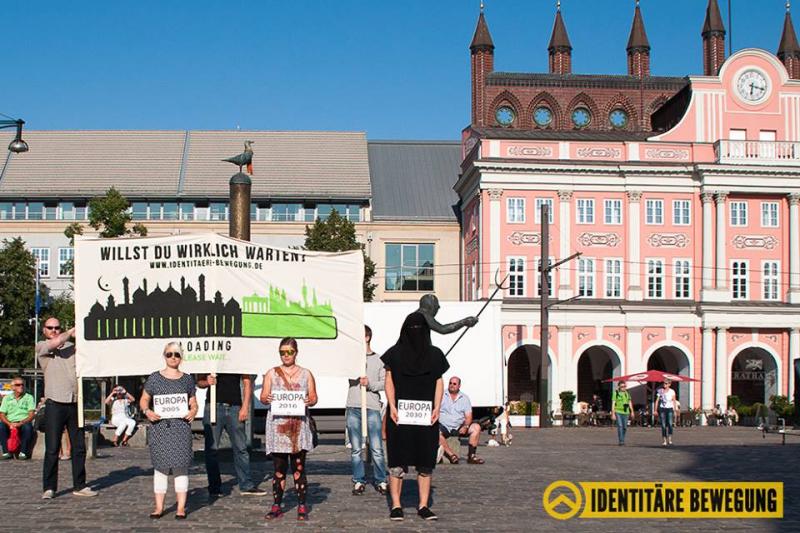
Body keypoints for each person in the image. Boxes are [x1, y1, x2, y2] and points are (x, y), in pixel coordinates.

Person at [382, 312, 451, 522]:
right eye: (411, 329)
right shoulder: (394, 354)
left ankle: (423, 505)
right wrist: (392, 406)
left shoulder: (435, 355)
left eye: (418, 329)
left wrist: (437, 407)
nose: (415, 333)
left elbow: (439, 382)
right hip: (399, 417)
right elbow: (389, 380)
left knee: (425, 463)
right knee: (396, 463)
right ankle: (396, 505)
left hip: (426, 417)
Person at [37, 317, 97, 499]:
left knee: (79, 447)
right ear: (44, 330)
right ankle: (49, 487)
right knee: (53, 448)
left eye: (57, 327)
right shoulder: (42, 347)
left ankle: (80, 484)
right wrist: (70, 332)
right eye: (50, 327)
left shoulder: (72, 347)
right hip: (55, 402)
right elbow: (55, 343)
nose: (54, 330)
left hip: (74, 402)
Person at [260, 337, 318, 521]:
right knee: (279, 468)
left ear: (296, 352)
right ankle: (277, 504)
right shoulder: (271, 373)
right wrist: (266, 398)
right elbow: (263, 397)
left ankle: (302, 505)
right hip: (278, 426)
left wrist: (310, 400)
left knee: (299, 467)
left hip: (298, 426)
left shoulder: (306, 374)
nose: (286, 355)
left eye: (289, 352)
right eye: (282, 352)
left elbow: (314, 397)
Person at [140, 342, 198, 519]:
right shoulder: (154, 378)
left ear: (181, 357)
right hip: (160, 428)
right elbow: (144, 399)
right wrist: (147, 411)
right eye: (170, 354)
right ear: (164, 355)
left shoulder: (187, 379)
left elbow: (193, 401)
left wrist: (193, 411)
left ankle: (181, 508)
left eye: (177, 354)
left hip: (180, 428)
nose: (173, 357)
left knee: (181, 468)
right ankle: (159, 507)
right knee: (161, 468)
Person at [196, 372, 265, 498]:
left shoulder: (236, 359)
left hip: (234, 407)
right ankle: (214, 487)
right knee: (211, 449)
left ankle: (246, 485)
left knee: (241, 448)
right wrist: (207, 382)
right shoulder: (210, 359)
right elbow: (199, 382)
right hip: (213, 406)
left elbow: (247, 382)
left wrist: (245, 407)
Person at [345, 325, 388, 495]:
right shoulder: (352, 360)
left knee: (376, 447)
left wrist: (369, 383)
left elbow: (384, 383)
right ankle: (358, 480)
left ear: (367, 337)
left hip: (371, 407)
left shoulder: (379, 360)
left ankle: (381, 479)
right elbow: (348, 377)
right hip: (354, 405)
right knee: (356, 448)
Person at [438, 376, 484, 464]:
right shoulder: (441, 395)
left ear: (459, 386)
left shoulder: (465, 398)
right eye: (450, 383)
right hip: (443, 426)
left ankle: (471, 456)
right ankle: (451, 455)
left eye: (454, 384)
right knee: (434, 431)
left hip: (459, 427)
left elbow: (469, 416)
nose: (452, 385)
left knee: (476, 427)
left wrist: (466, 426)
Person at [0, 376, 36, 459]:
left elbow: (31, 414)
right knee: (1, 427)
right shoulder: (7, 398)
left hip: (23, 421)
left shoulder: (29, 397)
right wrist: (9, 424)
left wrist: (21, 423)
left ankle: (23, 452)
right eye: (18, 385)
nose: (21, 386)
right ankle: (6, 452)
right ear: (13, 387)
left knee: (27, 428)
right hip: (10, 422)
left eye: (22, 384)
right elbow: (2, 414)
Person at [653, 379, 677, 446]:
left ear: (669, 384)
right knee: (663, 425)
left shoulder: (672, 391)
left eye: (666, 383)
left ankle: (669, 439)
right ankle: (664, 440)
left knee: (670, 423)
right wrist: (655, 410)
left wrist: (675, 410)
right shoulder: (660, 391)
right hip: (662, 409)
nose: (664, 384)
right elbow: (657, 401)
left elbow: (674, 401)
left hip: (669, 409)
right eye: (664, 383)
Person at [610, 382, 634, 446]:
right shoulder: (616, 393)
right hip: (618, 411)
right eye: (622, 386)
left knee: (625, 427)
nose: (623, 388)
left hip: (626, 412)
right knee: (620, 426)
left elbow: (629, 402)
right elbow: (613, 403)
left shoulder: (627, 393)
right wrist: (613, 413)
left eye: (624, 386)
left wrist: (632, 411)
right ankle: (621, 441)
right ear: (619, 387)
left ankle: (622, 439)